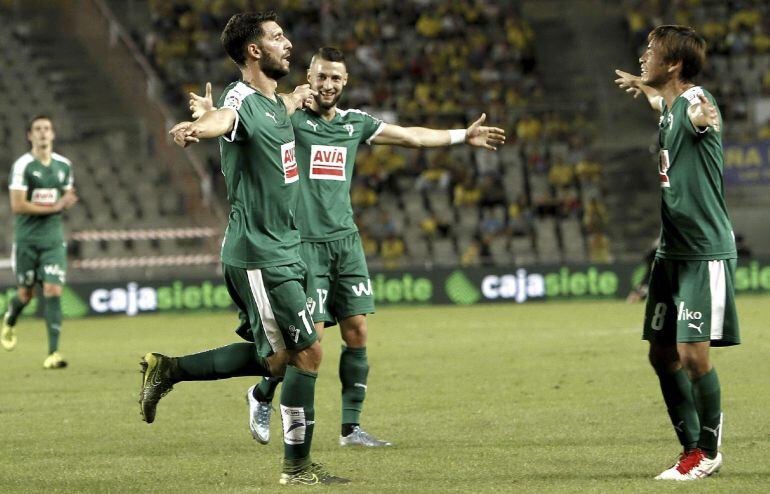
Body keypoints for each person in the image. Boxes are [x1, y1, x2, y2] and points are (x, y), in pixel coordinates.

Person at [189, 47, 505, 448]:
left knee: (357, 331)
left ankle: (351, 429)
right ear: (308, 78)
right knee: (307, 344)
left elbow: (411, 136)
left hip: (346, 243)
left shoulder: (354, 124)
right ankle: (262, 394)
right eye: (321, 77)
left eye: (336, 78)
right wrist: (208, 115)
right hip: (301, 247)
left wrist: (464, 135)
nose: (328, 85)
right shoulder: (287, 119)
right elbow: (242, 120)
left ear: (345, 83)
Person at [141, 12, 347, 486]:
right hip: (259, 255)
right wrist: (198, 127)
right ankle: (296, 469)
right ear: (254, 51)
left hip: (284, 248)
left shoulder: (275, 102)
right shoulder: (242, 101)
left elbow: (288, 105)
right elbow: (226, 119)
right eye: (277, 38)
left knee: (277, 359)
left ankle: (167, 369)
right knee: (309, 353)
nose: (288, 44)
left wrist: (299, 97)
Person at [615, 25, 740, 481]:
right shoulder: (668, 106)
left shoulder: (693, 104)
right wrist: (641, 86)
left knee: (693, 356)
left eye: (651, 51)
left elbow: (702, 115)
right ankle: (689, 447)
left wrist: (707, 116)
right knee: (660, 355)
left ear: (673, 64)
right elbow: (661, 103)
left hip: (703, 252)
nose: (643, 56)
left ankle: (707, 452)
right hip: (671, 252)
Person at [2, 115, 78, 369]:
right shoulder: (23, 166)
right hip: (26, 241)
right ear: (30, 135)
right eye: (38, 129)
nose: (43, 133)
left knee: (53, 290)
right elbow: (17, 205)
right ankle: (10, 319)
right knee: (25, 294)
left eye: (47, 129)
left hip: (53, 241)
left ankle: (53, 353)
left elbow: (67, 194)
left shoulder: (64, 166)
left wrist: (66, 201)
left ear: (53, 134)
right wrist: (56, 206)